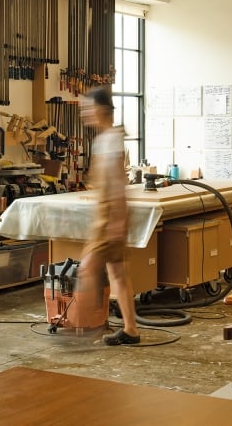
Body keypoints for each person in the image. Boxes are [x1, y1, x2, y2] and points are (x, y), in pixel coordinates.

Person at [78, 86, 140, 346]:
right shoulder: (105, 139)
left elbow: (118, 182)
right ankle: (131, 330)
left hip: (110, 217)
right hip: (108, 215)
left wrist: (116, 220)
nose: (85, 114)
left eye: (88, 109)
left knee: (87, 268)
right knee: (118, 274)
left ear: (101, 110)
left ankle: (80, 330)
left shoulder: (110, 140)